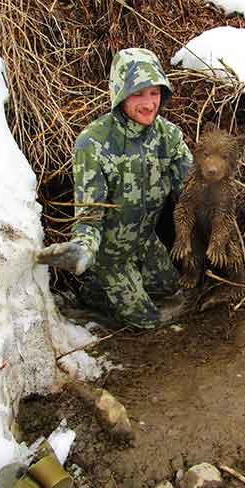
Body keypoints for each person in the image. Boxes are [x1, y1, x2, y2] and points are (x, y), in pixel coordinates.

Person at [36, 48, 193, 329]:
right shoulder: (93, 143)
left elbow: (191, 190)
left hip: (145, 240)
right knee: (147, 322)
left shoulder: (168, 135)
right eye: (138, 94)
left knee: (170, 290)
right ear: (120, 94)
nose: (148, 104)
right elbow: (89, 216)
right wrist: (82, 249)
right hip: (112, 254)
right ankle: (96, 290)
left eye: (154, 93)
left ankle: (102, 291)